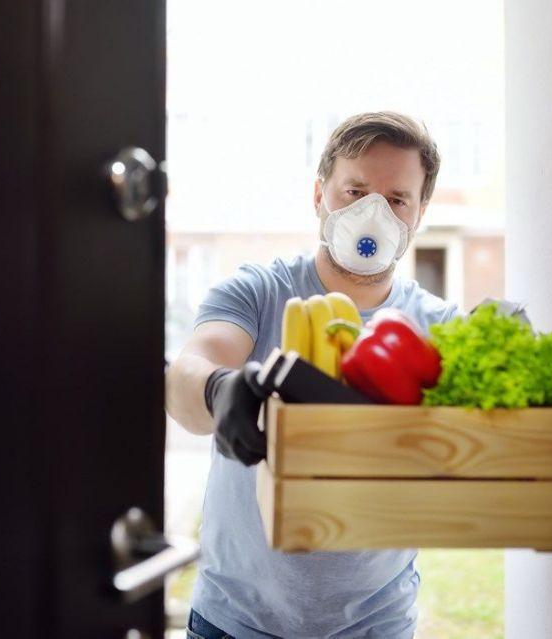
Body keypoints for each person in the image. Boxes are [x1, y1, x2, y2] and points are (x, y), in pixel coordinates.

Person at [165, 111, 461, 639]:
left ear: (419, 215)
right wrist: (218, 389)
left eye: (397, 200)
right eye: (355, 192)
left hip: (375, 626)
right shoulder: (257, 292)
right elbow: (188, 373)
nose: (373, 213)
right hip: (234, 622)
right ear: (319, 195)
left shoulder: (439, 327)